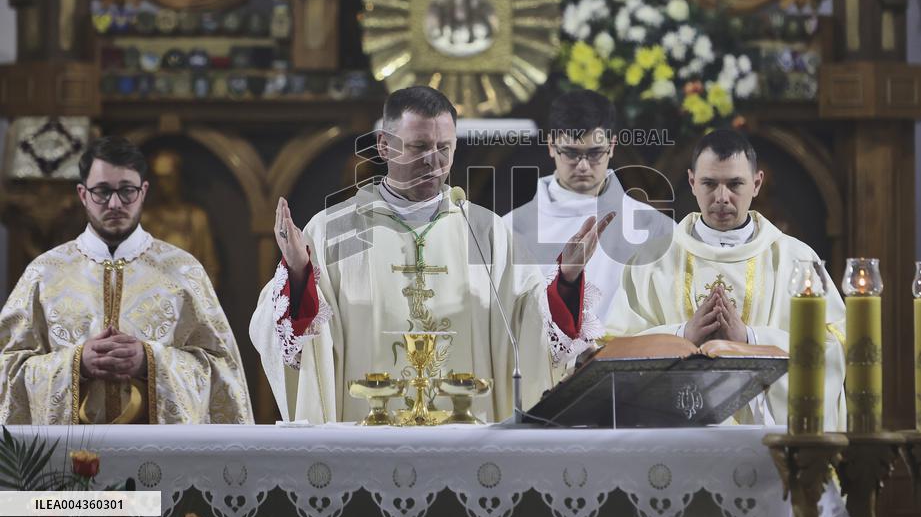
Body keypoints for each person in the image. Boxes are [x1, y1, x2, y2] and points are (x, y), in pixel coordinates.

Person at [250, 86, 570, 424]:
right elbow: (283, 338)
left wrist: (569, 279)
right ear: (384, 146)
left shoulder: (487, 232)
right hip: (366, 436)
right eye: (419, 146)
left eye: (444, 148)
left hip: (464, 436)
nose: (433, 160)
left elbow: (532, 325)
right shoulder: (334, 230)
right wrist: (299, 273)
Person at [557, 129, 847, 429]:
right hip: (674, 437)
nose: (722, 198)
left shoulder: (796, 259)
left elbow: (832, 348)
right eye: (709, 183)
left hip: (766, 443)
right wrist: (682, 335)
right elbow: (615, 349)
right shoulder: (651, 259)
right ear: (692, 182)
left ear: (757, 183)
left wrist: (749, 340)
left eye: (735, 184)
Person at [0, 136, 253, 424]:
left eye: (126, 191)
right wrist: (76, 364)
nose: (115, 203)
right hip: (72, 450)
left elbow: (222, 370)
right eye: (102, 191)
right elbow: (7, 368)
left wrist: (150, 361)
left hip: (157, 450)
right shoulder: (44, 273)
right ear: (83, 194)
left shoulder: (184, 271)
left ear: (143, 192)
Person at [505, 91, 674, 331]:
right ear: (551, 146)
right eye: (571, 153)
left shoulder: (655, 227)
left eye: (595, 153)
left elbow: (670, 313)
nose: (583, 166)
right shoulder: (510, 229)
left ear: (611, 146)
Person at [142, 149, 222, 286]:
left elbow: (210, 268)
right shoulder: (146, 219)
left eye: (168, 178)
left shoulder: (197, 218)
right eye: (159, 178)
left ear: (178, 177)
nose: (163, 184)